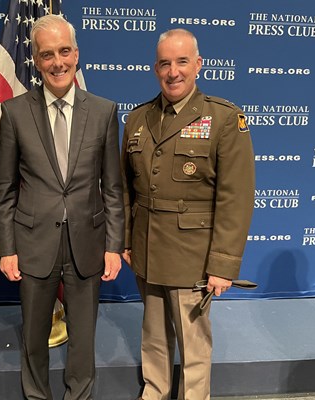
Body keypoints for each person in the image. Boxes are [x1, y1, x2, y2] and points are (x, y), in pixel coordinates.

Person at [0, 14, 124, 400]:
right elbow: (4, 190)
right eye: (47, 54)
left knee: (83, 340)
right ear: (35, 60)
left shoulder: (103, 111)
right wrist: (7, 248)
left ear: (77, 54)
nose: (58, 62)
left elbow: (114, 188)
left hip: (88, 242)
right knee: (33, 338)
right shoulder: (15, 112)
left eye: (65, 51)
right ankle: (36, 396)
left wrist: (114, 245)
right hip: (33, 244)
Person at [121, 29, 254, 400]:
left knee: (194, 345)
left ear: (198, 64)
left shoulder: (224, 118)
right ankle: (155, 391)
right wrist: (127, 241)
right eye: (165, 63)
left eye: (182, 62)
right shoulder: (137, 119)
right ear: (155, 68)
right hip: (147, 250)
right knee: (153, 336)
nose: (173, 71)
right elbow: (127, 189)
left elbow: (236, 197)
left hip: (193, 256)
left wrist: (223, 264)